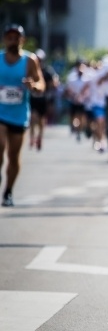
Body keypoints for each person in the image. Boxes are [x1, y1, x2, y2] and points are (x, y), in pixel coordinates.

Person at [1, 24, 45, 206]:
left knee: (13, 156)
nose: (13, 40)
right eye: (10, 37)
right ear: (5, 39)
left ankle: (9, 190)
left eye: (17, 37)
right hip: (1, 113)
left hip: (19, 115)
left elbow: (41, 84)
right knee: (0, 147)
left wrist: (33, 86)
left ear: (22, 40)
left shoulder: (29, 60)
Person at [29, 49, 57, 151]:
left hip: (43, 99)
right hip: (33, 98)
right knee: (32, 118)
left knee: (41, 120)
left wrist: (52, 85)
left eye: (40, 60)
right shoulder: (30, 70)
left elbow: (53, 84)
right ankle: (32, 137)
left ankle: (39, 137)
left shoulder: (48, 71)